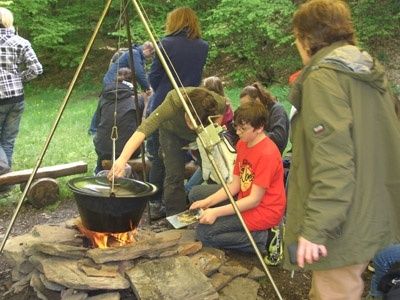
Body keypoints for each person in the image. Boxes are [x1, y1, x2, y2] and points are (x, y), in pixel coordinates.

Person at [283, 1, 400, 299]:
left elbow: (334, 160)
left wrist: (316, 227)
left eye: (296, 38)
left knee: (335, 292)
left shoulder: (324, 77)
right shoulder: (364, 71)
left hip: (341, 220)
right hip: (370, 208)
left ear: (306, 37)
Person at [108, 87, 226, 217]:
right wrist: (122, 159)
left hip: (201, 134)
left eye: (194, 123)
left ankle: (216, 211)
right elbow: (145, 128)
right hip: (171, 133)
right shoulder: (174, 101)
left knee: (215, 170)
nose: (190, 126)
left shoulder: (217, 103)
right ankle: (176, 217)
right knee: (174, 174)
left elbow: (221, 115)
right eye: (188, 120)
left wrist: (209, 132)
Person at [188, 101, 286, 253]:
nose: (238, 132)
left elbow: (254, 200)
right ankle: (237, 227)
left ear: (259, 128)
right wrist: (207, 202)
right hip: (244, 197)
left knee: (204, 234)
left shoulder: (268, 154)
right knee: (196, 194)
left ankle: (264, 238)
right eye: (236, 127)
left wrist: (215, 212)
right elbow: (235, 185)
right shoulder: (243, 143)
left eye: (243, 129)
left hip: (263, 210)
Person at [146, 7, 209, 218]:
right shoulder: (202, 47)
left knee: (159, 155)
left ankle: (155, 201)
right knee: (178, 157)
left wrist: (164, 91)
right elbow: (197, 77)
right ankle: (173, 201)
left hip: (164, 105)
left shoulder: (166, 44)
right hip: (189, 106)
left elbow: (153, 77)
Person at [0, 7, 42, 177]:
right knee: (8, 140)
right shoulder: (20, 41)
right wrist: (18, 79)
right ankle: (5, 184)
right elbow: (36, 69)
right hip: (16, 98)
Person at [88, 42, 154, 136]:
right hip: (113, 80)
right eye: (151, 54)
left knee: (112, 103)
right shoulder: (134, 54)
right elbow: (138, 73)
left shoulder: (135, 54)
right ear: (147, 50)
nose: (150, 58)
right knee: (106, 102)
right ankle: (93, 129)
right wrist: (147, 87)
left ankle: (107, 126)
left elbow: (141, 73)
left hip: (118, 80)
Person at [93, 68, 144, 174]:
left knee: (105, 144)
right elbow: (141, 126)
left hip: (103, 148)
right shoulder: (138, 99)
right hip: (130, 150)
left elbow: (97, 122)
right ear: (133, 82)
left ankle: (99, 172)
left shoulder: (104, 98)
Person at [239, 82, 289, 154]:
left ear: (257, 101)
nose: (245, 110)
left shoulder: (277, 110)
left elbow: (279, 139)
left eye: (247, 106)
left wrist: (254, 132)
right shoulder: (255, 113)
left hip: (271, 155)